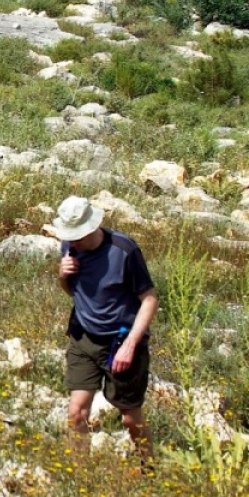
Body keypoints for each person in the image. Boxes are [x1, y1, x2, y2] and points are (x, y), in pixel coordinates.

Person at [52, 196, 158, 459]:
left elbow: (150, 299)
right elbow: (74, 292)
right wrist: (63, 276)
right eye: (69, 235)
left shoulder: (124, 251)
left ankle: (149, 468)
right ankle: (79, 477)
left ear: (91, 227)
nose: (72, 241)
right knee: (76, 411)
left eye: (77, 235)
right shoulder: (68, 247)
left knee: (130, 419)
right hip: (83, 338)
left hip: (121, 343)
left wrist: (130, 346)